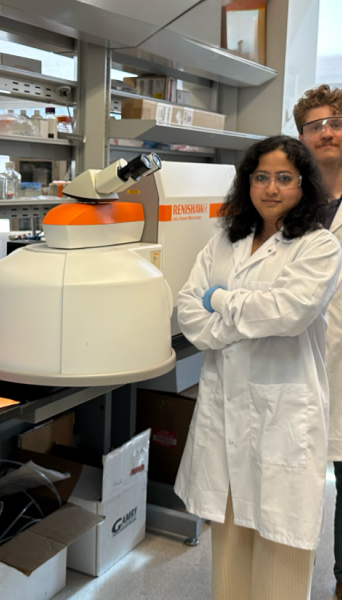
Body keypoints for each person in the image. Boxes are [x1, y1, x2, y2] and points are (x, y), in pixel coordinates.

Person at [174, 135, 342, 600]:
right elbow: (189, 311)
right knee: (229, 547)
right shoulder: (224, 241)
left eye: (285, 178)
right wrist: (236, 319)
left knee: (281, 549)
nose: (271, 188)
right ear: (248, 183)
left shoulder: (319, 245)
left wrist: (221, 301)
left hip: (282, 412)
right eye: (262, 177)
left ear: (304, 185)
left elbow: (289, 314)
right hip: (226, 409)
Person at [295, 84, 342, 600]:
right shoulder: (291, 200)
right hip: (299, 354)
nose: (326, 132)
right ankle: (287, 579)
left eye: (336, 122)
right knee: (298, 475)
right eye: (314, 125)